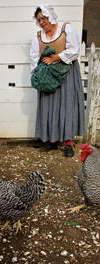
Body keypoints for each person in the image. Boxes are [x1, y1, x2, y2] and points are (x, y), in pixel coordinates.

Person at [30, 4, 85, 157]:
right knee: (49, 107)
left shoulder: (66, 29)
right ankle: (51, 141)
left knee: (67, 106)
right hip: (47, 76)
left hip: (66, 73)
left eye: (44, 18)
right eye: (39, 20)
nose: (42, 22)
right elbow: (34, 57)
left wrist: (55, 57)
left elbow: (74, 50)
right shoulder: (39, 36)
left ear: (51, 16)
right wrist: (36, 73)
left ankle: (68, 143)